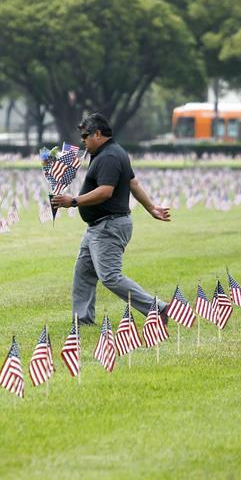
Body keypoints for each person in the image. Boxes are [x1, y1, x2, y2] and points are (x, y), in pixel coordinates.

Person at [51, 113, 170, 326]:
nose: (83, 141)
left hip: (109, 225)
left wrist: (74, 201)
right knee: (84, 272)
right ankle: (84, 320)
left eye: (86, 136)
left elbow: (106, 191)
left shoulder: (109, 157)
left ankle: (158, 308)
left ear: (98, 134)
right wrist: (151, 208)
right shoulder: (112, 153)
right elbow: (133, 183)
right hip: (98, 226)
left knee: (110, 277)